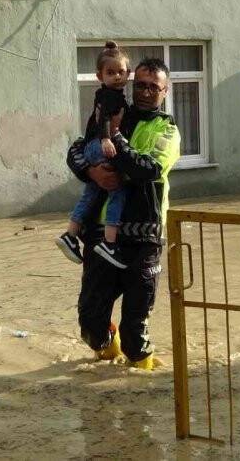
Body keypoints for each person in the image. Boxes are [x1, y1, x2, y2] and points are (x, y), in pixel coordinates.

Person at [66, 58, 181, 370]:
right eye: (140, 85)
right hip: (102, 234)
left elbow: (149, 169)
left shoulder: (167, 130)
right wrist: (92, 172)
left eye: (153, 87)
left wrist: (116, 139)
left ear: (165, 91)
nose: (145, 92)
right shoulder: (112, 112)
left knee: (135, 329)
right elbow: (76, 150)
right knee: (90, 322)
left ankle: (143, 387)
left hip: (144, 237)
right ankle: (107, 351)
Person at [57, 41, 130, 269]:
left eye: (121, 72)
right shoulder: (111, 96)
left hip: (92, 145)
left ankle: (70, 234)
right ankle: (109, 242)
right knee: (117, 191)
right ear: (100, 75)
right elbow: (104, 119)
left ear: (128, 73)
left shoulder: (107, 93)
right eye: (111, 72)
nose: (117, 76)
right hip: (98, 145)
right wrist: (108, 139)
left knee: (91, 193)